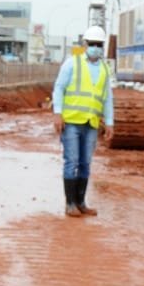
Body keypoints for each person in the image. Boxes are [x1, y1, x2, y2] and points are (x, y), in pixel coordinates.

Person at [52, 25, 114, 218]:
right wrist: (58, 114)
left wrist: (110, 122)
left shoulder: (104, 69)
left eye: (99, 44)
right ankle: (70, 204)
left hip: (91, 123)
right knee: (71, 161)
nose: (95, 47)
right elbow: (59, 88)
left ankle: (80, 202)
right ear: (85, 44)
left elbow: (107, 98)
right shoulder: (73, 63)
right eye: (92, 44)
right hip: (71, 122)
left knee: (85, 162)